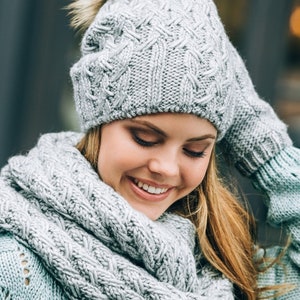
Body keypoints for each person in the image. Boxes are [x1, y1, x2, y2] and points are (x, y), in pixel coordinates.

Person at [0, 0, 299, 299]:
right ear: (97, 120)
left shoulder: (231, 269)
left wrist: (265, 148)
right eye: (144, 138)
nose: (166, 168)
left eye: (195, 150)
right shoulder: (16, 268)